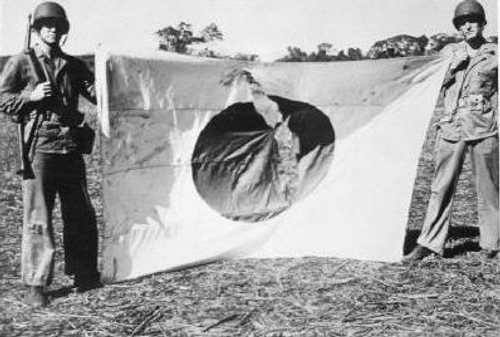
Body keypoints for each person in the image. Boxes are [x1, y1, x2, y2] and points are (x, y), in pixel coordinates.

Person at [0, 2, 100, 306]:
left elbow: (95, 92)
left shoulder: (72, 64)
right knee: (38, 217)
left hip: (70, 147)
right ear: (37, 30)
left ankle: (84, 273)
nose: (52, 30)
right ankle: (37, 284)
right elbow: (3, 98)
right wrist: (29, 97)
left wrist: (109, 78)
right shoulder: (21, 62)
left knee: (80, 214)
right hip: (39, 149)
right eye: (47, 25)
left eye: (57, 26)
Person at [403, 0, 498, 262]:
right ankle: (429, 243)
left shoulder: (495, 54)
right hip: (451, 126)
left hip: (484, 126)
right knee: (440, 186)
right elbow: (429, 84)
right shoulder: (449, 52)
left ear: (483, 24)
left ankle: (491, 243)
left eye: (473, 21)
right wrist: (452, 66)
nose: (467, 26)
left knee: (489, 187)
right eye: (462, 23)